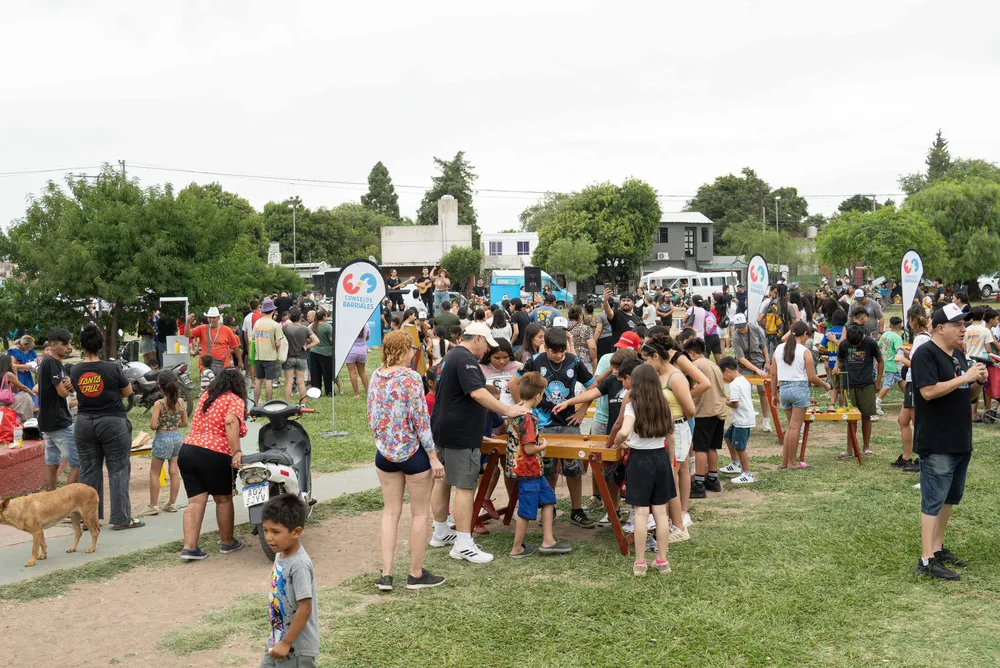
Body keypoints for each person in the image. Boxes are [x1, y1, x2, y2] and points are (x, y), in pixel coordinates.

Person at [428, 323, 529, 564]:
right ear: (477, 340)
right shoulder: (466, 359)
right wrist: (507, 409)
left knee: (443, 481)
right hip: (460, 433)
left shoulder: (449, 357)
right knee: (465, 486)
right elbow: (477, 392)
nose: (487, 351)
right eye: (486, 345)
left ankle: (441, 531)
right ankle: (463, 543)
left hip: (443, 429)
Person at [367, 331, 446, 591]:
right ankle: (415, 573)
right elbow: (421, 421)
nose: (415, 352)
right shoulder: (412, 379)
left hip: (385, 453)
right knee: (420, 513)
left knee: (390, 512)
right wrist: (433, 457)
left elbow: (372, 417)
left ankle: (386, 573)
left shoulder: (376, 377)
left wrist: (384, 440)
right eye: (412, 348)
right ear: (403, 350)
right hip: (413, 453)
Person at [911, 304, 985, 580]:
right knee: (933, 500)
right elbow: (928, 392)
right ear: (940, 328)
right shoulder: (925, 354)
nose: (964, 329)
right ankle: (927, 559)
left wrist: (976, 381)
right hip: (937, 440)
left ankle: (938, 549)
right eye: (958, 324)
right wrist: (964, 377)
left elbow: (967, 394)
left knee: (949, 498)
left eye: (964, 324)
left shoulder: (957, 355)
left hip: (959, 439)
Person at [509, 327, 597, 528]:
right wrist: (524, 408)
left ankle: (577, 510)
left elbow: (593, 388)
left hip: (569, 424)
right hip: (543, 425)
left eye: (562, 351)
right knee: (547, 469)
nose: (559, 356)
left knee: (574, 470)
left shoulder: (574, 362)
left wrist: (582, 410)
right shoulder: (535, 361)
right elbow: (514, 383)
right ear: (545, 347)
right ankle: (550, 508)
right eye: (554, 351)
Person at [71, 325, 142, 530]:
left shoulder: (75, 370)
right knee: (118, 469)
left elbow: (77, 392)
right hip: (112, 421)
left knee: (89, 470)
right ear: (101, 345)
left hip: (84, 422)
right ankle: (121, 518)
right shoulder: (112, 368)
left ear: (82, 346)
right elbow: (127, 391)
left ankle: (89, 519)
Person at [612, 363, 676, 576]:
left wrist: (620, 441)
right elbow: (670, 436)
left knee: (640, 512)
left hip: (639, 460)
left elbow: (624, 430)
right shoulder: (664, 405)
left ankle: (640, 563)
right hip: (660, 458)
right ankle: (662, 560)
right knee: (660, 512)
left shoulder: (633, 406)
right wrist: (670, 461)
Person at [178, 368, 247, 560]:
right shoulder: (234, 399)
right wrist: (236, 452)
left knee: (194, 502)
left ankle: (190, 548)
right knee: (223, 499)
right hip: (215, 453)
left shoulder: (206, 396)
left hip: (188, 450)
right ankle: (227, 542)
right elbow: (231, 422)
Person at [505, 371, 572, 558]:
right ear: (538, 396)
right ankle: (516, 548)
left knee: (548, 498)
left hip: (533, 470)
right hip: (527, 471)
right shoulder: (528, 418)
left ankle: (548, 541)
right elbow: (528, 449)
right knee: (526, 511)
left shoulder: (516, 412)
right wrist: (542, 445)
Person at [259, 494, 319, 665]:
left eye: (275, 532)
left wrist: (286, 642)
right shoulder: (281, 554)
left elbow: (305, 607)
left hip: (296, 648)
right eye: (265, 530)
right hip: (277, 638)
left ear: (296, 532)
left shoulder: (299, 565)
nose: (269, 537)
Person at [772, 321, 831, 470]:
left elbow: (773, 373)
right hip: (799, 389)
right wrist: (825, 384)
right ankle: (793, 462)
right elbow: (812, 377)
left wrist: (774, 394)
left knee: (790, 427)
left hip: (783, 388)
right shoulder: (805, 351)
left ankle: (784, 462)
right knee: (795, 428)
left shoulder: (779, 349)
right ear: (805, 335)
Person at [833, 316, 883, 456]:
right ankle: (849, 448)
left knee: (866, 416)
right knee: (851, 418)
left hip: (866, 383)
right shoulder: (844, 344)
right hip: (849, 384)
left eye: (857, 343)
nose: (854, 346)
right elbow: (840, 360)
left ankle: (866, 447)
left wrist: (878, 380)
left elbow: (880, 361)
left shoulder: (870, 343)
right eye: (851, 344)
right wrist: (837, 367)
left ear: (862, 336)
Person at [683, 338, 727, 498]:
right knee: (711, 447)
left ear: (692, 353)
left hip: (705, 412)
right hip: (718, 410)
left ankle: (699, 483)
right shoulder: (713, 364)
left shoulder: (696, 366)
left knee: (700, 448)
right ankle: (713, 479)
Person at [39, 328, 80, 492]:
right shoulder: (51, 362)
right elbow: (63, 392)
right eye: (64, 344)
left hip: (48, 422)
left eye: (69, 343)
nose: (68, 347)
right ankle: (66, 504)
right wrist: (67, 387)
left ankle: (51, 502)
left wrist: (68, 387)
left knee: (52, 463)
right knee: (78, 464)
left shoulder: (54, 364)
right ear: (53, 345)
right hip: (59, 421)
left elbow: (67, 389)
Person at [142, 371, 188, 515]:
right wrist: (173, 425)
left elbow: (153, 425)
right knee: (174, 471)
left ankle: (153, 506)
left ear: (160, 387)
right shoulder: (180, 402)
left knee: (154, 473)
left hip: (162, 438)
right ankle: (172, 503)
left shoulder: (159, 404)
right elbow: (185, 422)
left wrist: (163, 425)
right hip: (176, 437)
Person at [895, 304, 931, 472]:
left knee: (919, 423)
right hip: (912, 382)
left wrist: (902, 359)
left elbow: (917, 366)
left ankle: (924, 459)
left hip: (914, 382)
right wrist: (907, 352)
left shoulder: (920, 338)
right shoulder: (924, 337)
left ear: (912, 320)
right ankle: (906, 456)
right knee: (903, 420)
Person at [731, 313, 773, 432]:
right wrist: (757, 370)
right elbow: (741, 358)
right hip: (745, 367)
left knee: (763, 391)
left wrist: (767, 361)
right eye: (739, 327)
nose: (741, 329)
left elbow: (763, 346)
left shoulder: (755, 329)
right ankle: (746, 421)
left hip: (759, 362)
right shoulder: (735, 337)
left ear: (747, 322)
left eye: (743, 326)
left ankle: (766, 420)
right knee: (745, 394)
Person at [719, 357, 756, 484]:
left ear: (726, 371)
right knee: (728, 436)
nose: (724, 379)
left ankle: (747, 473)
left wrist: (724, 401)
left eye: (723, 375)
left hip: (742, 419)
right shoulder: (743, 380)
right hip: (742, 418)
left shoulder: (734, 384)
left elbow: (735, 404)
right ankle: (735, 464)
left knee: (740, 447)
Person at [962, 306, 997, 423]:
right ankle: (973, 414)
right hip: (980, 361)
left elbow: (963, 346)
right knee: (977, 387)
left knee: (968, 386)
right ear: (983, 317)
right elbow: (988, 349)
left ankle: (968, 412)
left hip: (967, 360)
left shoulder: (965, 329)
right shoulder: (985, 331)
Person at [189, 307, 242, 374]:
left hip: (223, 366)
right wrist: (188, 323)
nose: (211, 320)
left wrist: (240, 361)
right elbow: (188, 335)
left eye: (214, 318)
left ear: (218, 318)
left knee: (222, 384)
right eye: (209, 318)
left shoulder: (227, 330)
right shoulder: (202, 328)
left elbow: (235, 347)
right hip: (206, 367)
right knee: (207, 384)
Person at [282, 308, 319, 405]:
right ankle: (303, 404)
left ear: (290, 317)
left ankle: (287, 404)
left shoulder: (286, 328)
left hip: (288, 357)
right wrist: (307, 346)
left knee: (289, 382)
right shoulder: (305, 329)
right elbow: (316, 341)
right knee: (301, 382)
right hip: (301, 357)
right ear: (300, 317)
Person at [253, 299, 287, 405]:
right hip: (270, 356)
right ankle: (268, 404)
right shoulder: (275, 325)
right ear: (273, 311)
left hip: (258, 356)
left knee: (258, 380)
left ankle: (255, 404)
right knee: (269, 381)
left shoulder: (257, 323)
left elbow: (253, 338)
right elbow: (278, 343)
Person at [876, 316, 907, 415]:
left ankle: (910, 398)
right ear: (900, 326)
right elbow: (899, 351)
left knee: (901, 380)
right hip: (893, 364)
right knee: (887, 384)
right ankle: (876, 403)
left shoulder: (885, 335)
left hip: (885, 361)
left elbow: (879, 346)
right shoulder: (897, 337)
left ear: (889, 325)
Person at [818, 310, 848, 408]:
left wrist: (830, 352)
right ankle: (842, 407)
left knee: (835, 387)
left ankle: (832, 406)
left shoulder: (829, 332)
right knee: (843, 388)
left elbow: (820, 347)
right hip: (844, 364)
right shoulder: (846, 332)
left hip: (832, 362)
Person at [0, 353, 36, 424]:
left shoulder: (7, 375)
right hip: (3, 401)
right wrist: (33, 394)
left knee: (20, 395)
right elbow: (23, 387)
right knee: (25, 396)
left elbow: (15, 390)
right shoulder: (8, 374)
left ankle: (24, 420)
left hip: (2, 399)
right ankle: (28, 420)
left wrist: (15, 374)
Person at [309, 309, 336, 397]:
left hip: (314, 351)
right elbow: (331, 340)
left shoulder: (312, 326)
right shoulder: (328, 326)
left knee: (315, 374)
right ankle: (329, 392)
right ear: (324, 317)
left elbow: (309, 338)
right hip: (326, 353)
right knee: (327, 374)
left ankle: (316, 392)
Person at [567, 305, 597, 372]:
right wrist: (594, 364)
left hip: (567, 363)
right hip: (583, 363)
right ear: (580, 315)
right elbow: (592, 348)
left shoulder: (563, 329)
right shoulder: (586, 328)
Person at [345, 323, 371, 399]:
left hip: (351, 350)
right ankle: (368, 393)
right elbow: (367, 337)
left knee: (352, 372)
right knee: (362, 372)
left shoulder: (350, 325)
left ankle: (357, 394)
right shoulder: (367, 325)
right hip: (362, 350)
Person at [9, 335, 38, 400]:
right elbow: (12, 365)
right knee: (21, 393)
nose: (31, 349)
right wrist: (25, 366)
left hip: (27, 375)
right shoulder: (15, 351)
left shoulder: (29, 350)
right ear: (25, 346)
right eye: (30, 347)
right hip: (18, 375)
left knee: (30, 391)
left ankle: (31, 407)